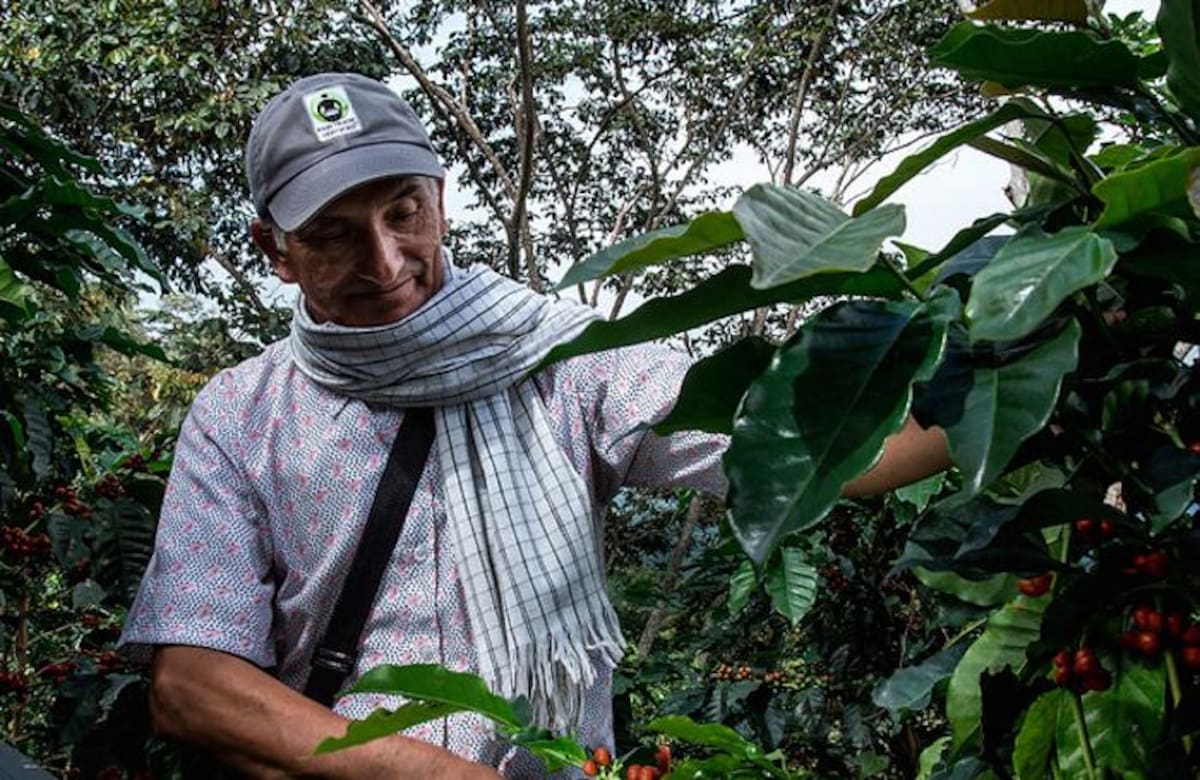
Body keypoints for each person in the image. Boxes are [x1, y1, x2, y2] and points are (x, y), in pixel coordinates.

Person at [120, 72, 949, 778]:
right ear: (275, 250)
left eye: (404, 213)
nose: (386, 261)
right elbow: (194, 685)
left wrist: (1028, 373)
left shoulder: (565, 357)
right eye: (334, 236)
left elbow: (814, 445)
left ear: (439, 200)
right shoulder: (240, 414)